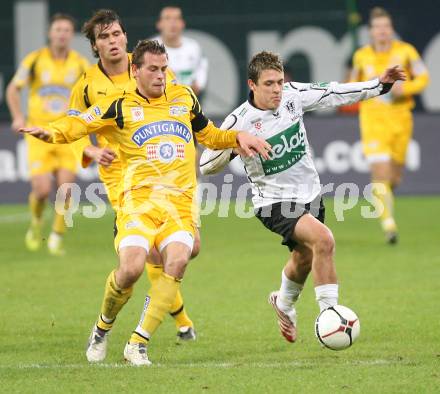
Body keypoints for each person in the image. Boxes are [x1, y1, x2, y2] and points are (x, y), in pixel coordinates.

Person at [20, 39, 271, 365]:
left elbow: (208, 135)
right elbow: (78, 123)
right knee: (131, 270)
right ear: (135, 71)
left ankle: (138, 342)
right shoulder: (118, 104)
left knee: (179, 259)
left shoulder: (183, 97)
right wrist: (52, 133)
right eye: (153, 69)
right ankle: (102, 328)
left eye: (164, 69)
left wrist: (237, 137)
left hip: (179, 202)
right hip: (137, 202)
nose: (161, 75)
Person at [200, 51, 404, 343]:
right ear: (252, 85)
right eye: (269, 83)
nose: (276, 90)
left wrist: (379, 85)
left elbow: (334, 92)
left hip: (309, 194)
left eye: (280, 82)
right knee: (324, 240)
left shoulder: (294, 96)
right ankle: (330, 318)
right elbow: (206, 165)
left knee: (304, 256)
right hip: (272, 202)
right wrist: (234, 143)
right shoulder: (239, 120)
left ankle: (283, 303)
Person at [68, 10, 200, 349]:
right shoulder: (85, 85)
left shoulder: (145, 66)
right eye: (104, 37)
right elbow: (75, 128)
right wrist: (92, 152)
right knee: (149, 258)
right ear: (95, 46)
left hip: (166, 174)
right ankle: (172, 324)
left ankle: (167, 319)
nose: (112, 41)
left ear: (125, 37)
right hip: (123, 179)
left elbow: (175, 101)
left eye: (116, 34)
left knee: (182, 249)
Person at [6, 13, 89, 255]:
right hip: (38, 132)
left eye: (66, 30)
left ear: (70, 35)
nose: (61, 34)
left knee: (66, 188)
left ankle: (56, 235)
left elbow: (92, 94)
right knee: (42, 190)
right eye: (57, 30)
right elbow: (13, 89)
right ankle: (36, 222)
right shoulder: (35, 60)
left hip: (65, 133)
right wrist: (17, 116)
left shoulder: (80, 64)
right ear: (49, 33)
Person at [351, 7, 429, 244]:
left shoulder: (406, 52)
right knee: (380, 171)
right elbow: (353, 84)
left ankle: (383, 200)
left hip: (401, 120)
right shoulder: (361, 56)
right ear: (371, 32)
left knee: (394, 178)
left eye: (386, 27)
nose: (382, 31)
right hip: (373, 121)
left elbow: (424, 77)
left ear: (391, 29)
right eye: (377, 27)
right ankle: (389, 226)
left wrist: (406, 88)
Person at [155, 6, 208, 96]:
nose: (173, 23)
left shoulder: (193, 47)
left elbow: (202, 67)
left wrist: (199, 84)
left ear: (182, 23)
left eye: (177, 18)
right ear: (159, 24)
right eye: (167, 18)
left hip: (189, 100)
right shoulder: (150, 48)